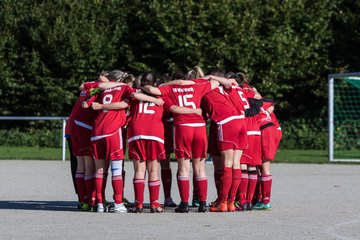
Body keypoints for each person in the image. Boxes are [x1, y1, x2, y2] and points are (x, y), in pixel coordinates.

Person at [143, 68, 233, 213]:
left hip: (183, 127)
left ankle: (184, 203)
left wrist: (174, 83)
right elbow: (216, 83)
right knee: (200, 168)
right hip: (199, 127)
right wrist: (196, 81)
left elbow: (156, 92)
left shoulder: (169, 89)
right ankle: (202, 203)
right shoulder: (197, 85)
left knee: (184, 168)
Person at [88, 70, 164, 213]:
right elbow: (127, 101)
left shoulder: (102, 90)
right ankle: (146, 203)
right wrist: (155, 100)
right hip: (149, 132)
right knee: (150, 169)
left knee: (105, 170)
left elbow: (86, 100)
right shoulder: (158, 91)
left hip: (106, 131)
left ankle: (129, 204)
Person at [127, 72, 203, 213]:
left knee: (139, 169)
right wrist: (196, 110)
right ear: (155, 84)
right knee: (153, 169)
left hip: (136, 131)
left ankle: (138, 204)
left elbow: (130, 98)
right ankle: (155, 204)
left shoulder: (134, 91)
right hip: (154, 132)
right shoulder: (161, 94)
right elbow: (173, 109)